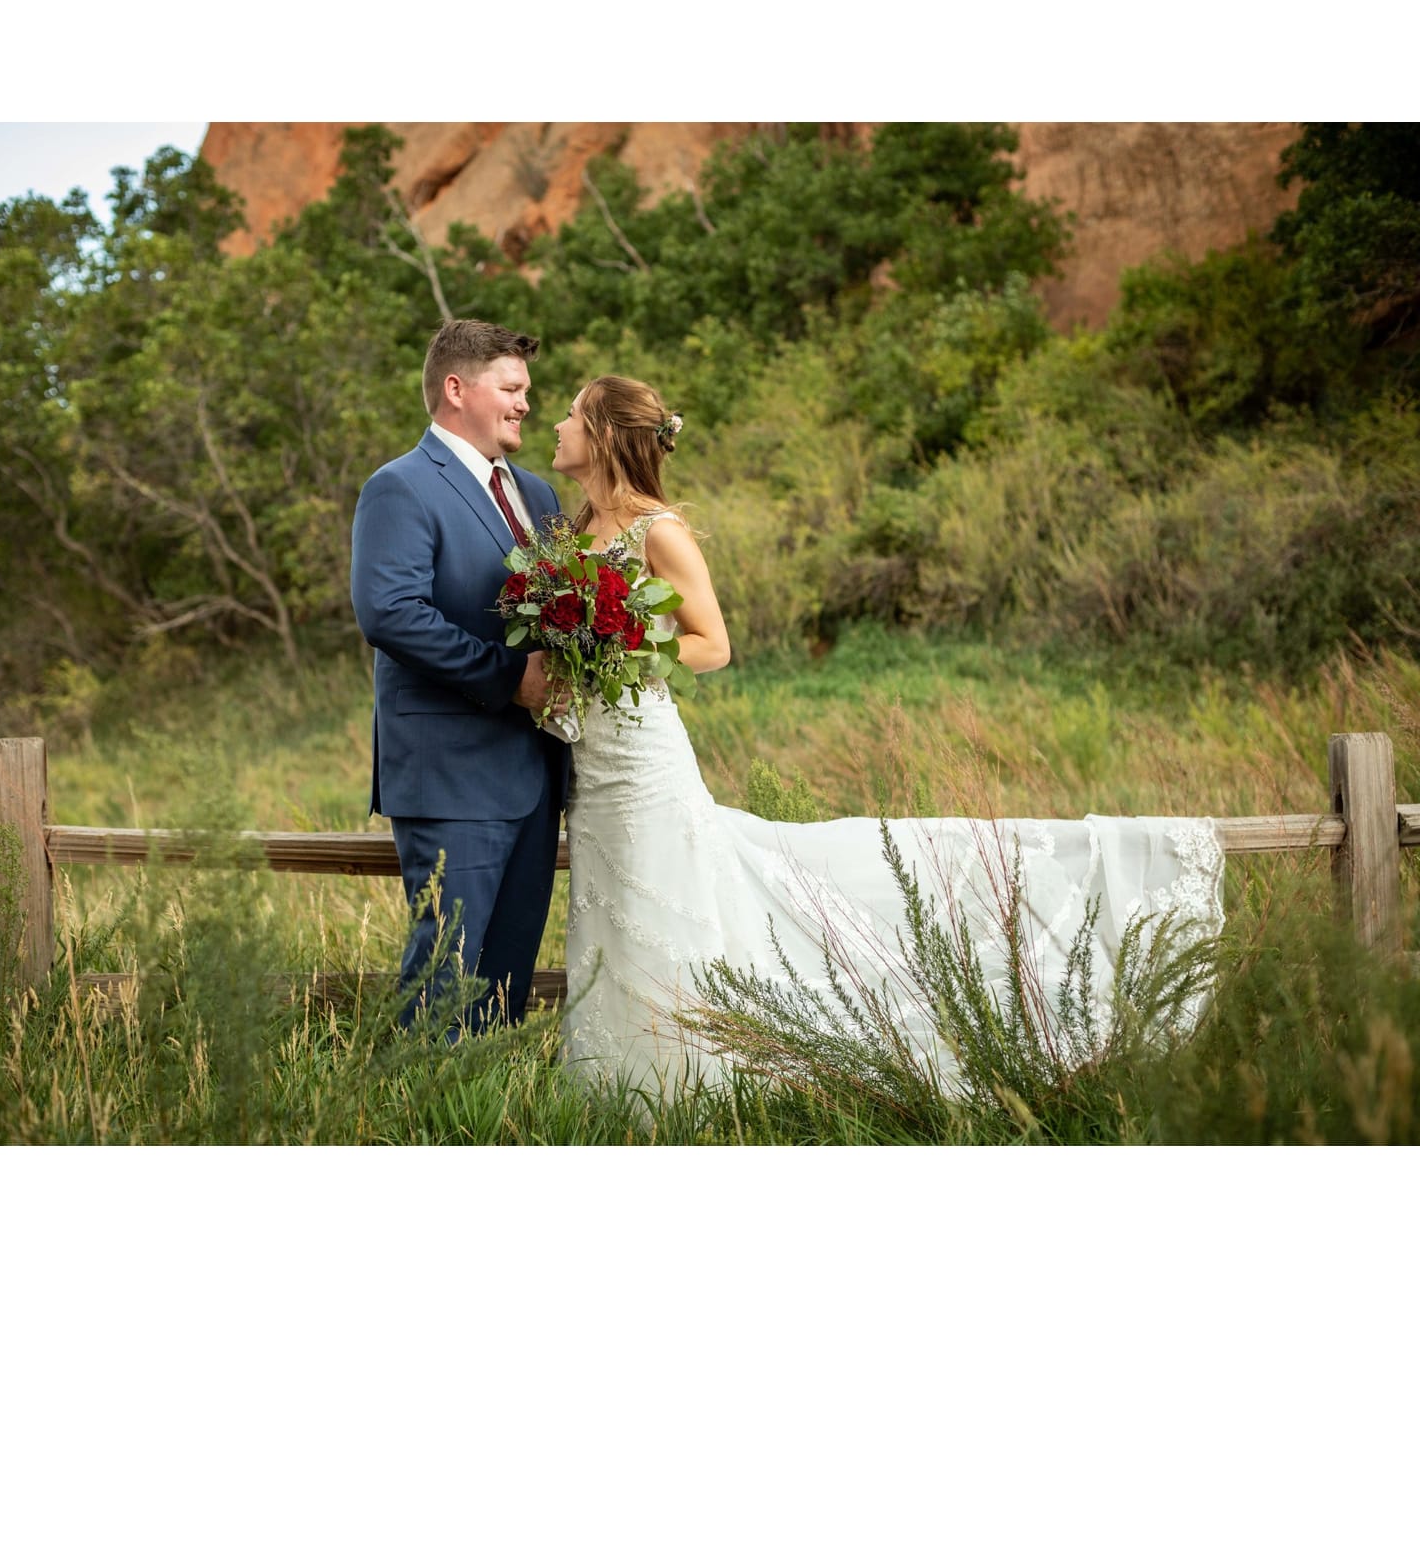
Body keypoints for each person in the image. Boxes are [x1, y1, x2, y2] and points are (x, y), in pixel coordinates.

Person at [550, 374, 1226, 1092]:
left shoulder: (659, 530)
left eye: (571, 414)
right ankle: (614, 1080)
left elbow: (712, 645)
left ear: (605, 433)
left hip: (646, 755)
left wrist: (619, 651)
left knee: (665, 894)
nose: (557, 425)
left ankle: (688, 1077)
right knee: (612, 904)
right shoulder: (575, 528)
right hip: (594, 761)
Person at [349, 320, 570, 1027]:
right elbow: (390, 613)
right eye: (511, 388)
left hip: (535, 775)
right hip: (450, 774)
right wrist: (510, 678)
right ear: (456, 388)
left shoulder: (538, 495)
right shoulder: (400, 487)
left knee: (504, 990)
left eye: (526, 390)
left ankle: (485, 1101)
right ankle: (414, 1099)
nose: (525, 403)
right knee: (443, 983)